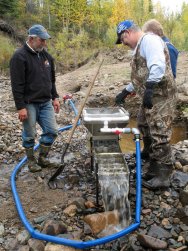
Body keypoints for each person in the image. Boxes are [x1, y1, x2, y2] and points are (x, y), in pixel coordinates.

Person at [115, 20, 177, 189]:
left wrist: (149, 87)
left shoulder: (149, 40)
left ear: (127, 33)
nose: (123, 43)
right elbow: (141, 75)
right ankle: (153, 163)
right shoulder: (139, 47)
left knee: (159, 132)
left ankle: (164, 175)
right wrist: (126, 91)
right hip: (150, 96)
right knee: (143, 124)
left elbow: (157, 65)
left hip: (160, 96)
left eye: (122, 39)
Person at [10, 24, 60, 173]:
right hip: (29, 103)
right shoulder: (19, 57)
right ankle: (31, 161)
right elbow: (16, 85)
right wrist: (20, 107)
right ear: (31, 39)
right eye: (42, 40)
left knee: (52, 131)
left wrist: (55, 97)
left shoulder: (46, 56)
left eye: (45, 40)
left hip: (45, 102)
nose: (44, 43)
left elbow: (51, 80)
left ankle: (42, 158)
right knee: (30, 134)